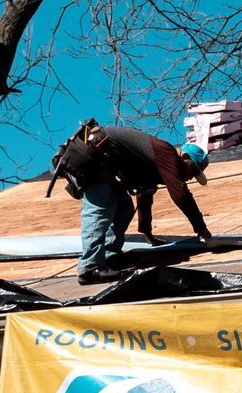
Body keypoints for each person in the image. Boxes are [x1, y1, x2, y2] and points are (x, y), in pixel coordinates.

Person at [48, 121, 214, 283]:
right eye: (193, 170)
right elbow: (180, 194)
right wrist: (201, 228)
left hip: (100, 163)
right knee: (100, 206)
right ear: (184, 157)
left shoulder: (154, 166)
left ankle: (109, 256)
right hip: (88, 159)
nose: (190, 177)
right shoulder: (165, 153)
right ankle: (89, 267)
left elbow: (144, 195)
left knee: (124, 206)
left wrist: (147, 233)